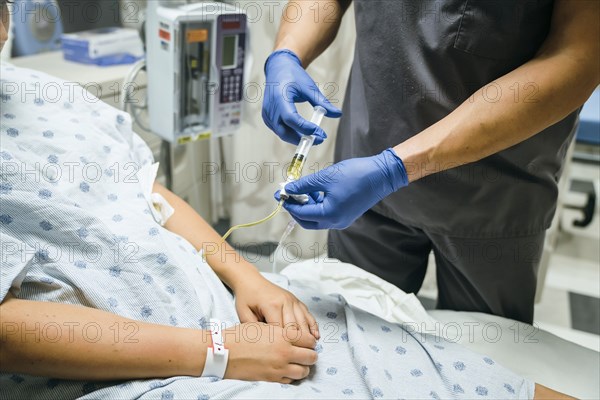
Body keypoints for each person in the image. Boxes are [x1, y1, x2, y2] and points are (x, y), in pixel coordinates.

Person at [0, 1, 579, 398]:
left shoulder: (44, 94)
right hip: (170, 364)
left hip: (492, 179)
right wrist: (287, 52)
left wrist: (249, 281)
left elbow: (144, 189)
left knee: (453, 370)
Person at [264, 0, 600, 324]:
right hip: (364, 172)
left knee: (483, 356)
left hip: (493, 188)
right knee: (355, 327)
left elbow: (579, 57)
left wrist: (393, 167)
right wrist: (287, 53)